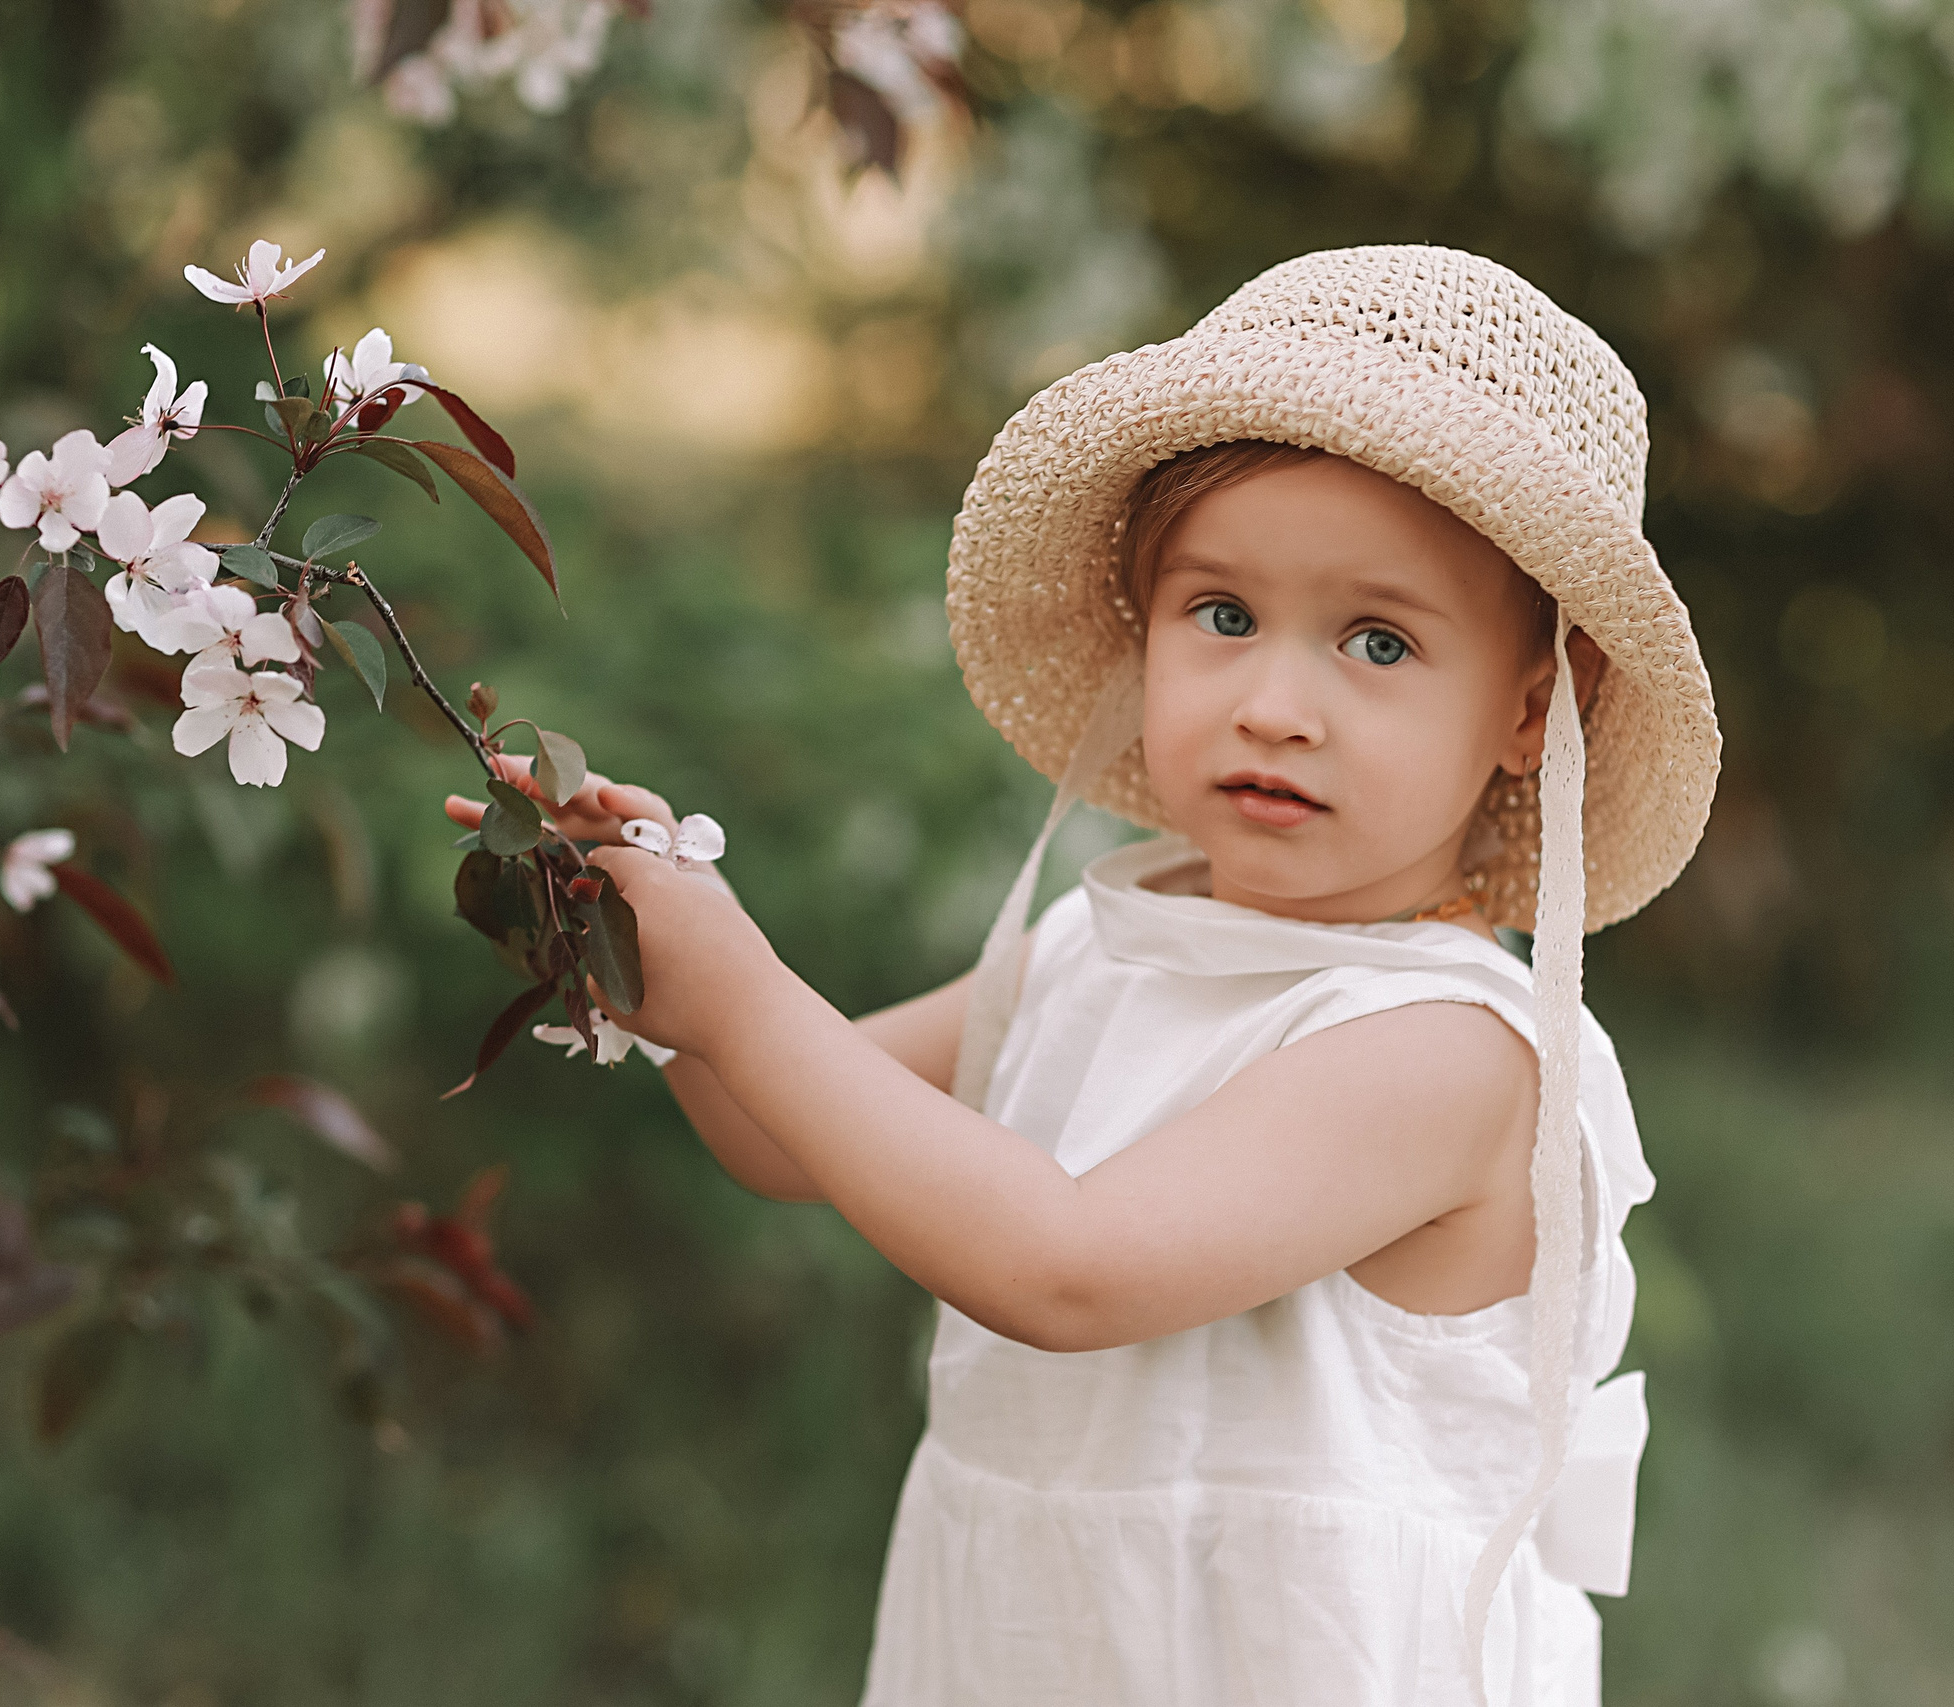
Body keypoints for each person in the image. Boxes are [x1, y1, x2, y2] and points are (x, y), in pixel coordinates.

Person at [448, 246, 1719, 1705]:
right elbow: (782, 1129)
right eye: (1222, 616)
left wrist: (741, 993)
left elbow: (1064, 1269)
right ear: (1145, 627)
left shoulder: (1451, 1052)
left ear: (1526, 708)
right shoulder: (1112, 940)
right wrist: (634, 946)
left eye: (1378, 641)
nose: (1275, 706)